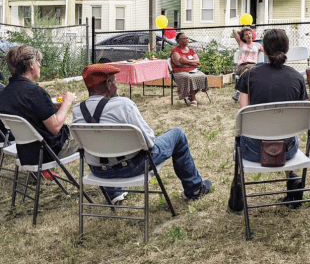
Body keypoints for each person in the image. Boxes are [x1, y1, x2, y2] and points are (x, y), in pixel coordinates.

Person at [72, 64, 211, 204]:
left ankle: (113, 192)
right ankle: (195, 188)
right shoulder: (123, 105)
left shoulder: (77, 110)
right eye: (115, 81)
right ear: (108, 84)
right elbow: (149, 142)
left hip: (99, 171)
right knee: (178, 135)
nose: (117, 86)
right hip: (131, 168)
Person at [236, 29, 308, 208]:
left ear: (264, 50)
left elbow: (244, 115)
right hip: (287, 151)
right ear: (287, 48)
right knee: (285, 132)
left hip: (253, 151)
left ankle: (236, 196)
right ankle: (291, 177)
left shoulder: (249, 75)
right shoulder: (298, 78)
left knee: (239, 139)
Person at [0, 45, 78, 166]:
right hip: (49, 152)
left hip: (24, 153)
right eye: (38, 61)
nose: (40, 65)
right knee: (88, 135)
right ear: (31, 64)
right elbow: (55, 127)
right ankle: (106, 175)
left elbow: (29, 115)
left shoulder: (5, 93)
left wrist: (51, 108)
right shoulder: (35, 92)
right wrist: (67, 102)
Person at [170, 33, 209, 106]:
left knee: (203, 76)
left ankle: (190, 96)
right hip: (179, 71)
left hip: (193, 70)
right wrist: (192, 63)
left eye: (187, 38)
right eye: (184, 38)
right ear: (179, 41)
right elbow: (178, 63)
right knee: (188, 77)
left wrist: (186, 61)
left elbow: (197, 62)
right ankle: (193, 98)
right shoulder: (175, 50)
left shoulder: (191, 50)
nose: (187, 40)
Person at [232, 27, 264, 101]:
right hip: (241, 66)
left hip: (252, 66)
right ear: (243, 37)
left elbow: (266, 51)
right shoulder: (241, 43)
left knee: (250, 70)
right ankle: (239, 91)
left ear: (252, 34)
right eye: (246, 34)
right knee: (248, 70)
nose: (248, 35)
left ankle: (238, 91)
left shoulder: (257, 45)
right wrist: (242, 31)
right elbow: (234, 31)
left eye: (249, 33)